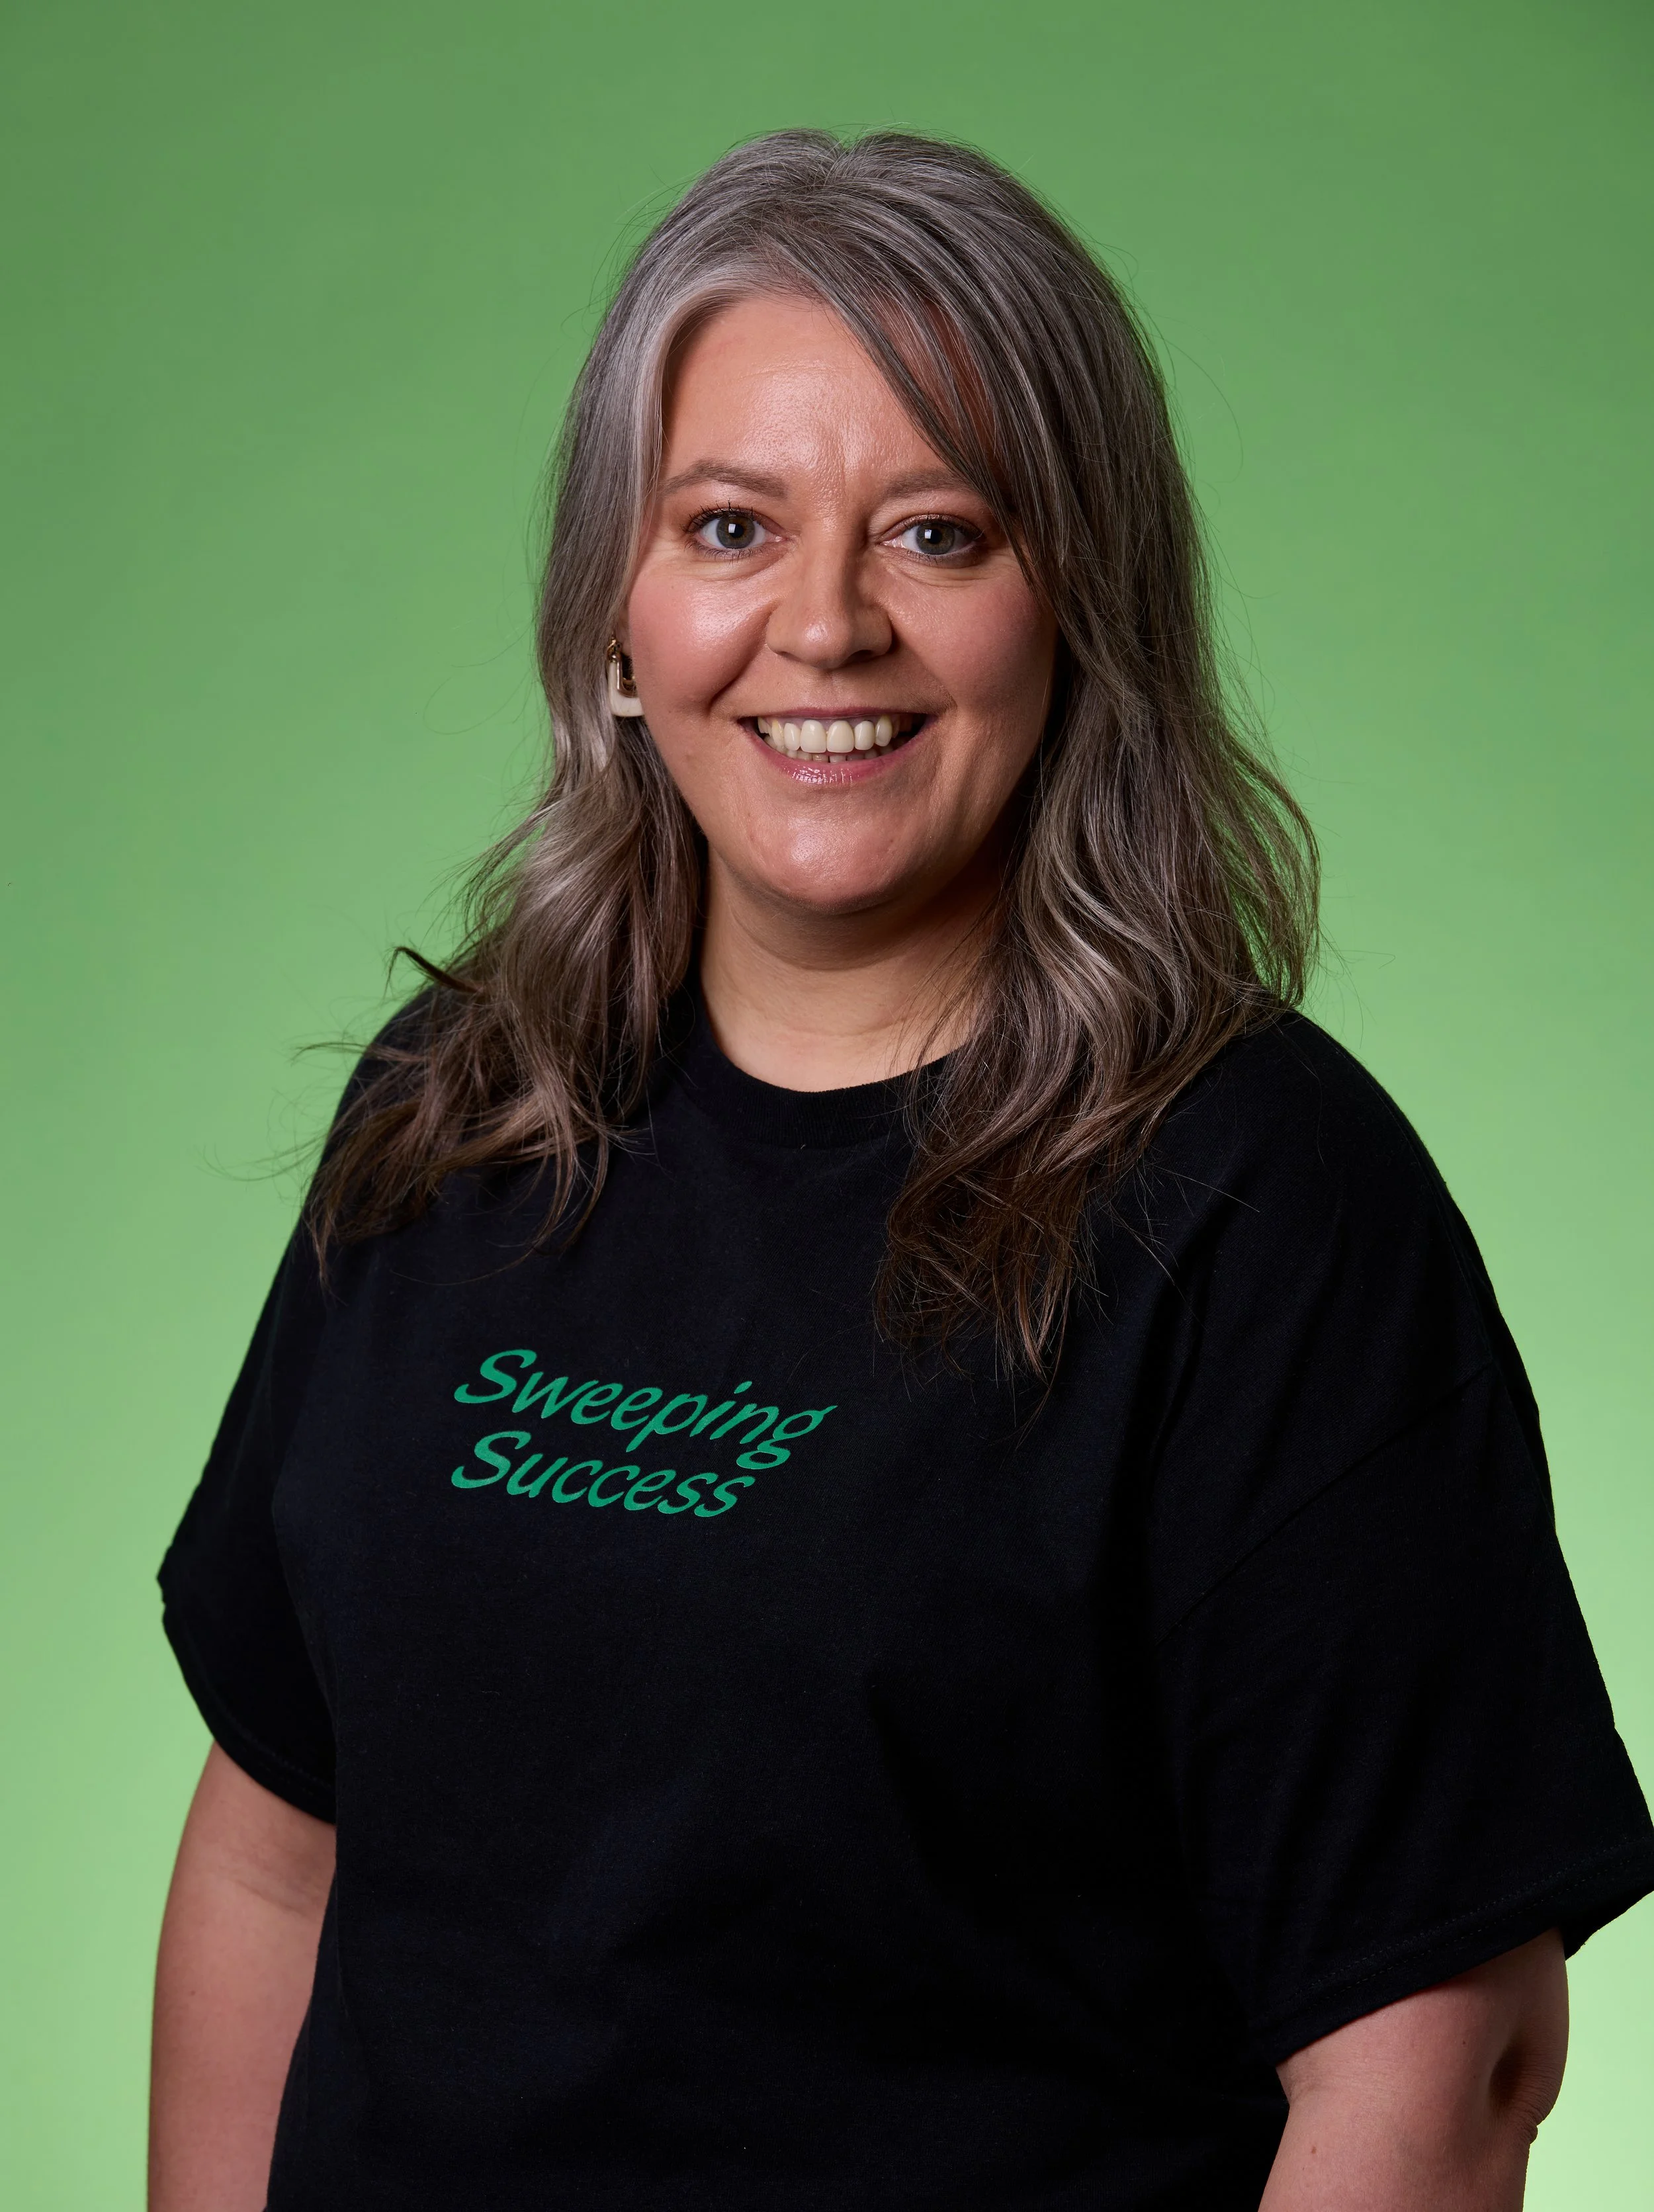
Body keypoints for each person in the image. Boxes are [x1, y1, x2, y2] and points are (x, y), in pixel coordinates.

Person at [150, 130, 1653, 2212]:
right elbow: (272, 1848)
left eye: (939, 532)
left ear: (1077, 613)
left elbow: (1438, 2055)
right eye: (730, 524)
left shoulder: (1261, 1206)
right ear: (618, 611)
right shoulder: (458, 1111)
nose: (825, 625)